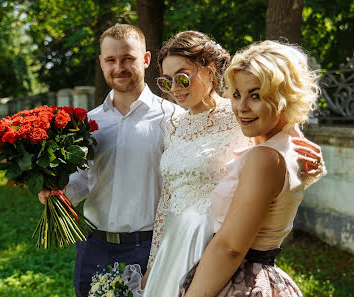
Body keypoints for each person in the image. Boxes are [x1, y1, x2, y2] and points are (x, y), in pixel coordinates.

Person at [141, 32, 325, 297]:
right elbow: (167, 196)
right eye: (166, 81)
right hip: (175, 237)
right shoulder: (173, 125)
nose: (175, 88)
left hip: (217, 237)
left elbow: (279, 161)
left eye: (182, 77)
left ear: (209, 71)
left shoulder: (242, 117)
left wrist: (311, 169)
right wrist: (154, 257)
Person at [38, 24, 184, 297]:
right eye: (111, 60)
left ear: (146, 59)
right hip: (94, 246)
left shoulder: (173, 119)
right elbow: (83, 179)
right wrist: (59, 191)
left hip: (151, 250)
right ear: (101, 63)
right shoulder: (87, 123)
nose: (120, 67)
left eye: (128, 58)